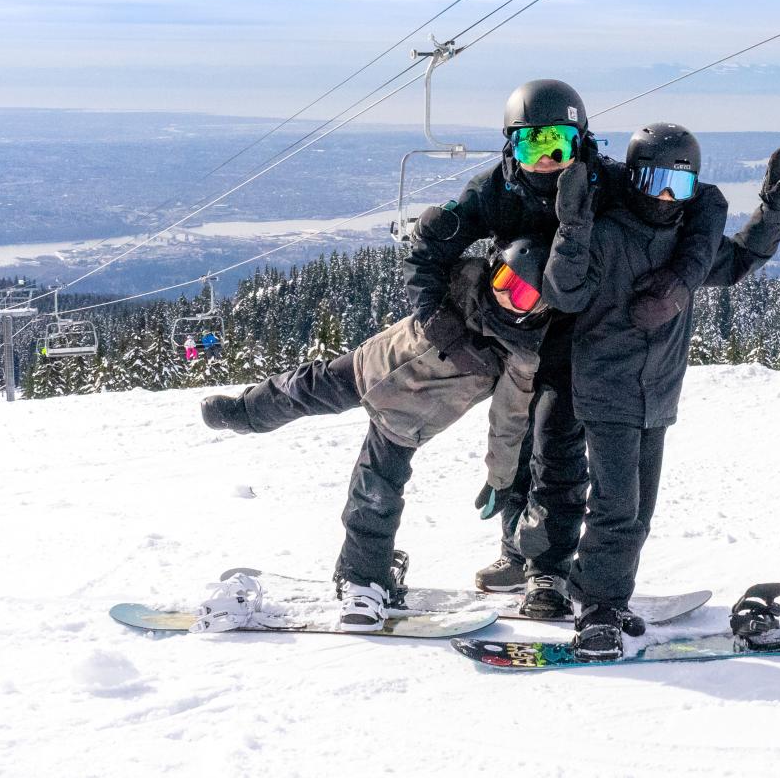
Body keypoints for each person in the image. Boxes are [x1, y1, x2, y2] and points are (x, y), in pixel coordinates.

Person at [403, 79, 726, 620]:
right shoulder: (495, 192)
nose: (548, 158)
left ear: (583, 140)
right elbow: (427, 246)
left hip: (591, 342)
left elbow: (703, 204)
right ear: (510, 146)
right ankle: (521, 551)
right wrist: (434, 314)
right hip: (522, 336)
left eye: (561, 142)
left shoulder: (609, 181)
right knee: (519, 448)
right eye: (533, 144)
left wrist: (680, 278)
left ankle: (547, 569)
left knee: (557, 453)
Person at [198, 238, 553, 630]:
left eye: (521, 294)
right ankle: (245, 411)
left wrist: (500, 478)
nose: (504, 294)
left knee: (374, 493)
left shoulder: (519, 355)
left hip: (405, 419)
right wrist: (438, 230)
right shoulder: (462, 280)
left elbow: (509, 422)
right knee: (300, 387)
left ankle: (363, 579)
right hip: (368, 367)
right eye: (502, 278)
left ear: (539, 306)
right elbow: (424, 258)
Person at [541, 123, 780, 660]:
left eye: (676, 188)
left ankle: (606, 593)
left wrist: (771, 211)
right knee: (616, 504)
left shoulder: (687, 247)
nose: (662, 198)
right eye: (653, 182)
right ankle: (597, 604)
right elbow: (564, 292)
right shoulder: (610, 234)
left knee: (640, 509)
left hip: (657, 394)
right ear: (632, 178)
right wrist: (573, 227)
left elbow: (742, 259)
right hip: (606, 388)